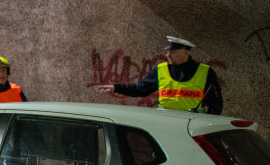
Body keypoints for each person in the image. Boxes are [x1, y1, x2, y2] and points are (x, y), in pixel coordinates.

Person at [95, 36, 223, 114]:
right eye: (168, 52)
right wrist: (116, 88)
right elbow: (141, 89)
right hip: (165, 125)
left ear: (185, 52)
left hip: (193, 129)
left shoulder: (205, 72)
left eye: (173, 52)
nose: (168, 55)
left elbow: (216, 104)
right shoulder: (161, 70)